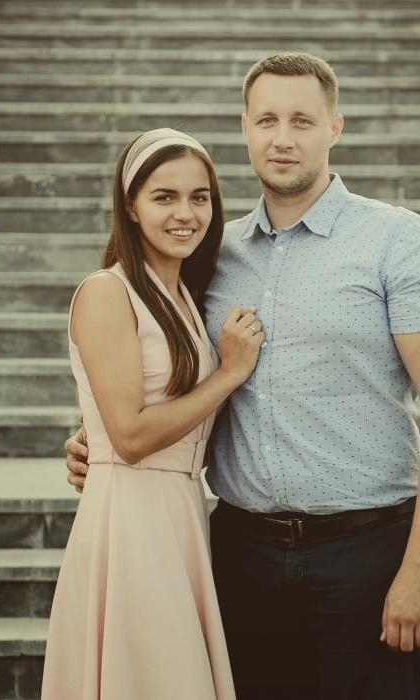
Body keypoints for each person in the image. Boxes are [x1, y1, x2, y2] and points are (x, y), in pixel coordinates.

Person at [66, 53, 420, 700]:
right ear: (245, 128)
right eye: (266, 120)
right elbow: (156, 361)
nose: (282, 138)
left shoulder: (398, 241)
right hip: (240, 556)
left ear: (334, 127)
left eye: (301, 121)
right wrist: (97, 436)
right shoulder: (210, 252)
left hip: (366, 552)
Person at [43, 128, 265, 700]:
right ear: (131, 205)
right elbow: (131, 436)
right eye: (164, 197)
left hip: (181, 510)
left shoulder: (185, 292)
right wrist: (230, 373)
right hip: (131, 517)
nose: (185, 214)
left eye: (199, 197)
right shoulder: (106, 291)